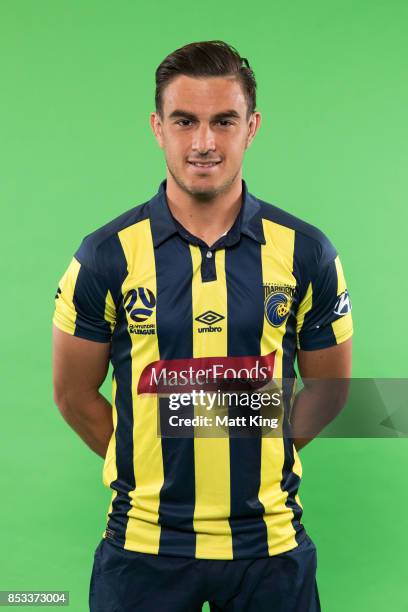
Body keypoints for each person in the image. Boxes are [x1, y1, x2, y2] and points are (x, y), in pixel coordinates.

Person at [52, 40, 353, 612]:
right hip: (141, 550)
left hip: (270, 549)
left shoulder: (306, 252)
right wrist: (147, 458)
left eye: (224, 121)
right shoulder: (105, 255)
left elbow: (330, 390)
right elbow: (72, 395)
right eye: (185, 121)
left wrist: (254, 444)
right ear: (157, 126)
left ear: (252, 126)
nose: (204, 143)